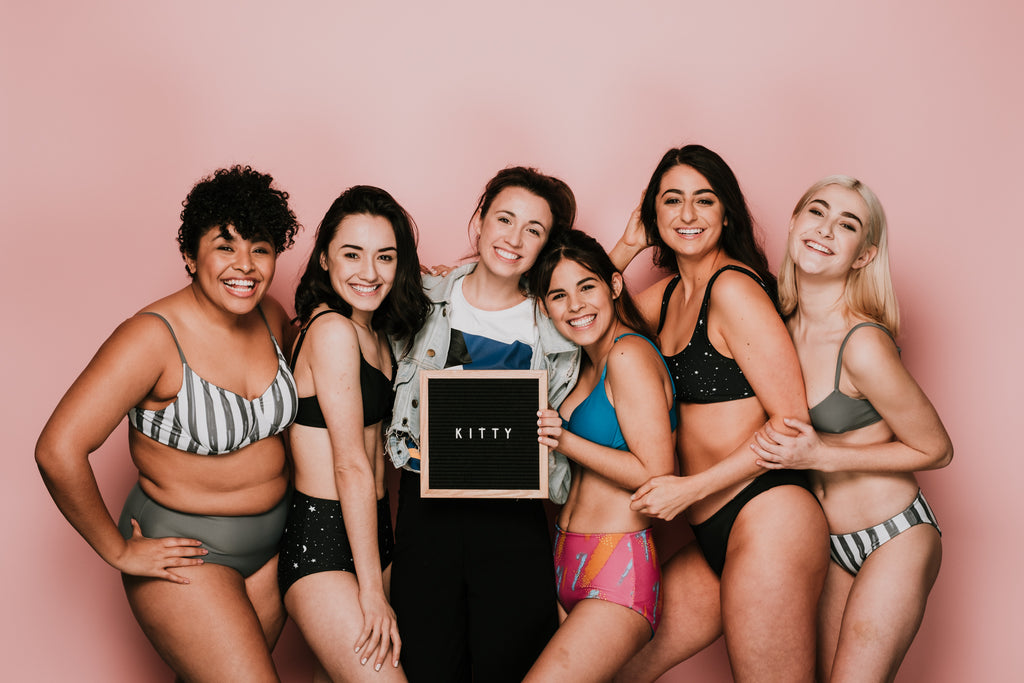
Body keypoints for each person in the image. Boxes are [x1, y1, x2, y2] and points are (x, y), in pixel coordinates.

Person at [35, 165, 301, 682]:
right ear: (190, 256)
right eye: (225, 246)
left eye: (261, 248)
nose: (245, 265)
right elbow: (57, 449)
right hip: (189, 554)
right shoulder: (151, 338)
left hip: (276, 548)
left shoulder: (271, 316)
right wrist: (117, 550)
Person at [610, 145, 829, 682]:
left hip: (767, 513)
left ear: (726, 213)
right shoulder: (665, 297)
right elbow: (580, 315)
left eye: (704, 200)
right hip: (711, 528)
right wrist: (628, 246)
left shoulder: (733, 289)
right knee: (614, 666)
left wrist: (690, 489)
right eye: (671, 201)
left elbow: (792, 423)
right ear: (653, 214)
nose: (687, 214)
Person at [751, 175, 952, 682]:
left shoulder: (862, 343)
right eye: (817, 212)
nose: (825, 230)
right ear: (793, 223)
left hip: (894, 535)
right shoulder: (776, 327)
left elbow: (936, 448)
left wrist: (822, 455)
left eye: (847, 224)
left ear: (863, 255)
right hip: (828, 544)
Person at [384, 166, 580, 682]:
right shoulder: (422, 296)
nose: (514, 239)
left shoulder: (556, 322)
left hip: (514, 517)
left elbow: (601, 294)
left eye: (534, 230)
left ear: (546, 245)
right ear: (481, 219)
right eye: (505, 219)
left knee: (510, 666)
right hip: (427, 511)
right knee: (428, 666)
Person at [278, 186, 430, 680]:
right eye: (352, 254)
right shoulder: (332, 331)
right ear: (324, 258)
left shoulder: (376, 331)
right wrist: (371, 593)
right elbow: (350, 464)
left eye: (385, 256)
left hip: (372, 533)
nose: (369, 272)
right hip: (322, 540)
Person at [522, 229, 676, 682]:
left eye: (587, 287)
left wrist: (565, 440)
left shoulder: (628, 354)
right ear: (545, 307)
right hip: (563, 556)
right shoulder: (583, 363)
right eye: (558, 296)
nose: (575, 305)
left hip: (616, 563)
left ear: (614, 285)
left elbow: (657, 473)